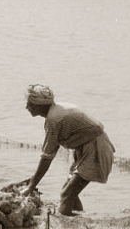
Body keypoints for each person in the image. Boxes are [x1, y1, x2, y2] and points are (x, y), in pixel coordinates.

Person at [22, 84, 115, 215]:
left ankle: (64, 226)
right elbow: (48, 154)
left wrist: (31, 187)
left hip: (96, 148)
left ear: (38, 104)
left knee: (67, 193)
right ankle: (77, 222)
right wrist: (33, 182)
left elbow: (47, 157)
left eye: (29, 103)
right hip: (87, 148)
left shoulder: (53, 120)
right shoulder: (55, 111)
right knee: (70, 191)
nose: (27, 107)